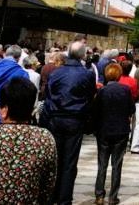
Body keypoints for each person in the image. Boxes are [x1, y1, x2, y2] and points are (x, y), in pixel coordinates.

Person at [42, 40, 97, 205]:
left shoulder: (57, 73)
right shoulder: (86, 74)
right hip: (73, 118)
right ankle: (64, 198)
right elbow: (90, 96)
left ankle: (53, 195)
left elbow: (49, 95)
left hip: (57, 118)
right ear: (82, 55)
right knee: (69, 161)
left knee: (57, 159)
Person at [93, 62, 135, 205]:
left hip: (104, 131)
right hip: (121, 130)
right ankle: (113, 196)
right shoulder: (125, 90)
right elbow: (132, 109)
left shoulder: (102, 91)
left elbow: (96, 111)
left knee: (102, 164)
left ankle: (99, 195)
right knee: (117, 165)